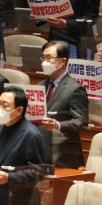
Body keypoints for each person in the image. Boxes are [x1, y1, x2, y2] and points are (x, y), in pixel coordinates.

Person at [0, 86, 47, 205]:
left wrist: (9, 177)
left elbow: (37, 171)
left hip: (14, 201)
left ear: (19, 110)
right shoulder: (1, 126)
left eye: (5, 105)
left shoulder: (31, 135)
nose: (0, 108)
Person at [37, 40, 88, 168]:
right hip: (39, 150)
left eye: (49, 58)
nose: (44, 62)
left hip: (62, 153)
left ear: (62, 61)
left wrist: (58, 125)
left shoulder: (75, 89)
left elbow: (81, 121)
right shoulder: (39, 86)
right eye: (43, 57)